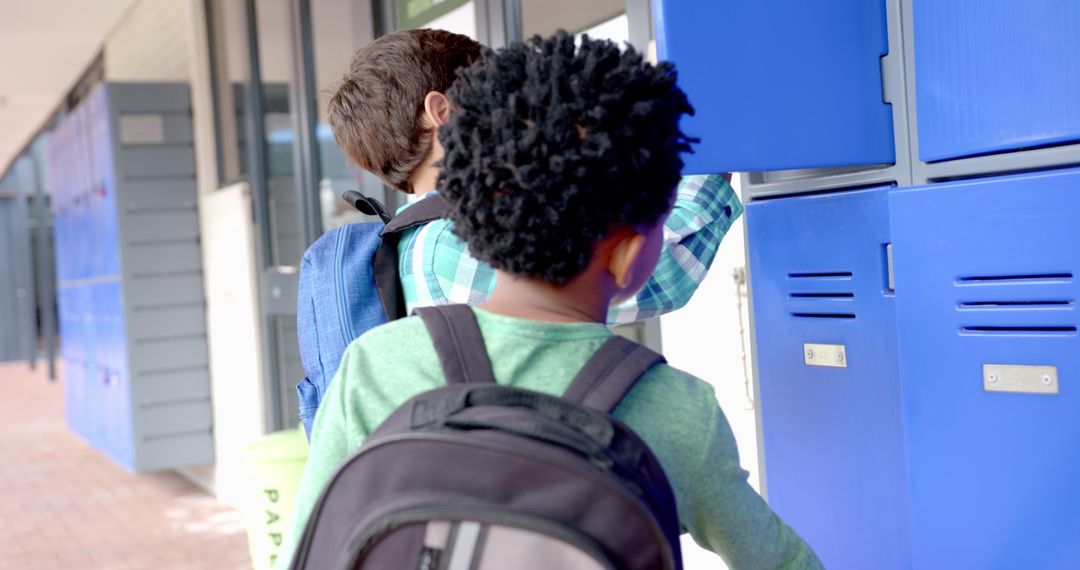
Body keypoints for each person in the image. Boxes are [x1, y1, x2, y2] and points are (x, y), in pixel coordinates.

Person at [283, 32, 822, 569]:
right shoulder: (670, 407)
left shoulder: (374, 363)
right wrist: (715, 146)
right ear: (442, 112)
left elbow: (308, 547)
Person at [326, 28, 741, 323]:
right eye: (491, 93)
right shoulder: (450, 243)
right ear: (443, 112)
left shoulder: (423, 236)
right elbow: (653, 278)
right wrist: (716, 155)